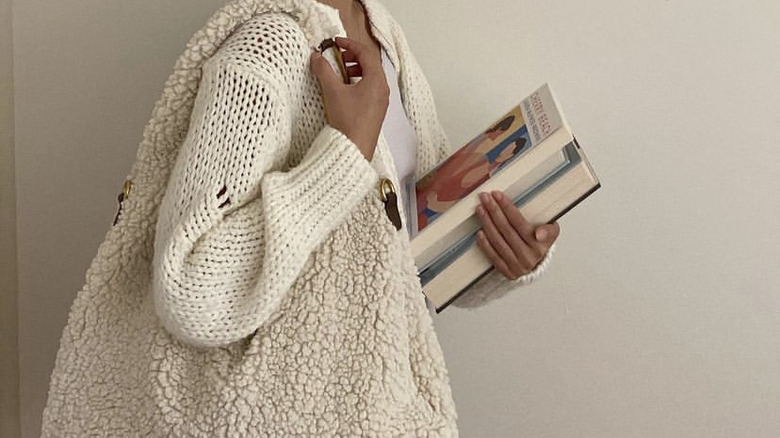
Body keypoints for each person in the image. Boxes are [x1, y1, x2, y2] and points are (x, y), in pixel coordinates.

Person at [40, 0, 560, 436]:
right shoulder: (266, 48)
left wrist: (503, 254)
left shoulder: (385, 37)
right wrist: (346, 151)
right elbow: (191, 290)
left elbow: (400, 258)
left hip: (373, 408)